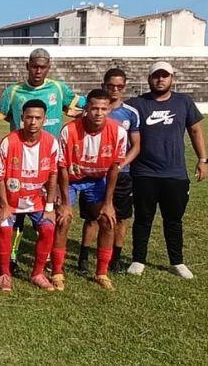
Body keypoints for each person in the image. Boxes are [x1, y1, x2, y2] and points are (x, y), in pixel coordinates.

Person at [0, 48, 83, 271]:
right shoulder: (14, 91)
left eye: (42, 66)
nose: (38, 70)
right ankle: (12, 255)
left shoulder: (59, 88)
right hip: (18, 161)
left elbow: (81, 104)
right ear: (27, 66)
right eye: (34, 66)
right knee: (17, 218)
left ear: (48, 66)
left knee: (50, 210)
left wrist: (106, 102)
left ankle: (48, 258)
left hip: (49, 161)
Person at [125, 62, 208, 279]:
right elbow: (115, 116)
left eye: (165, 76)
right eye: (156, 76)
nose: (160, 80)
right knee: (143, 218)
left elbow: (195, 130)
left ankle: (177, 262)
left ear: (172, 78)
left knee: (174, 220)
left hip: (175, 173)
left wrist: (203, 159)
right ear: (149, 78)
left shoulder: (183, 102)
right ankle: (138, 259)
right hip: (144, 173)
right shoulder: (137, 104)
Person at [56, 89, 128, 291]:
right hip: (70, 180)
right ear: (86, 108)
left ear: (109, 109)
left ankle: (101, 273)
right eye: (94, 108)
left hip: (97, 181)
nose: (98, 113)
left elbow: (114, 168)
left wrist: (108, 203)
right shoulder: (69, 130)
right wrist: (65, 203)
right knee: (63, 220)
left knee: (107, 220)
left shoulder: (119, 132)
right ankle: (57, 271)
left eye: (103, 109)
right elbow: (61, 167)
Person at [77, 68, 140, 274]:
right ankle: (84, 257)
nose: (115, 90)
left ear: (124, 87)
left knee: (119, 217)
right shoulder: (94, 109)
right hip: (94, 174)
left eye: (119, 86)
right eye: (111, 85)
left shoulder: (130, 113)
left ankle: (115, 258)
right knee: (92, 218)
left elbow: (136, 145)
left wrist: (119, 164)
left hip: (120, 173)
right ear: (104, 85)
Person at [0, 100, 62, 291]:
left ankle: (38, 273)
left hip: (37, 201)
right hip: (12, 201)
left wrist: (49, 207)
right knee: (5, 229)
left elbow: (52, 175)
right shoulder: (9, 141)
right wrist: (5, 205)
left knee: (48, 228)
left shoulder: (50, 142)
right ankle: (4, 273)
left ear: (44, 120)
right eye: (29, 117)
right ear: (22, 118)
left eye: (38, 118)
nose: (33, 122)